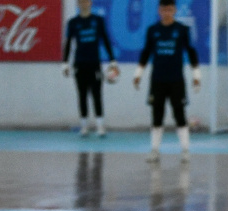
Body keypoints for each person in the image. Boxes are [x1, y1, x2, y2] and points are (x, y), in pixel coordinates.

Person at [133, 0, 201, 163]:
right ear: (159, 11)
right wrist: (138, 74)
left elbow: (191, 52)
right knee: (157, 115)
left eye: (170, 9)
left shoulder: (182, 30)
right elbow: (146, 52)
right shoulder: (153, 30)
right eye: (163, 9)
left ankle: (185, 151)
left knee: (179, 114)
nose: (166, 13)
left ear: (175, 10)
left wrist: (196, 76)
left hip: (176, 80)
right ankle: (155, 151)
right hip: (157, 80)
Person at [62, 0, 118, 138]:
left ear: (91, 3)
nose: (84, 3)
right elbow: (68, 43)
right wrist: (65, 63)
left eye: (86, 1)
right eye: (81, 1)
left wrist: (112, 60)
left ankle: (100, 126)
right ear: (77, 4)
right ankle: (84, 126)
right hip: (79, 64)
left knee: (97, 94)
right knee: (82, 95)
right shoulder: (73, 22)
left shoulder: (98, 20)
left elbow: (105, 39)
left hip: (94, 63)